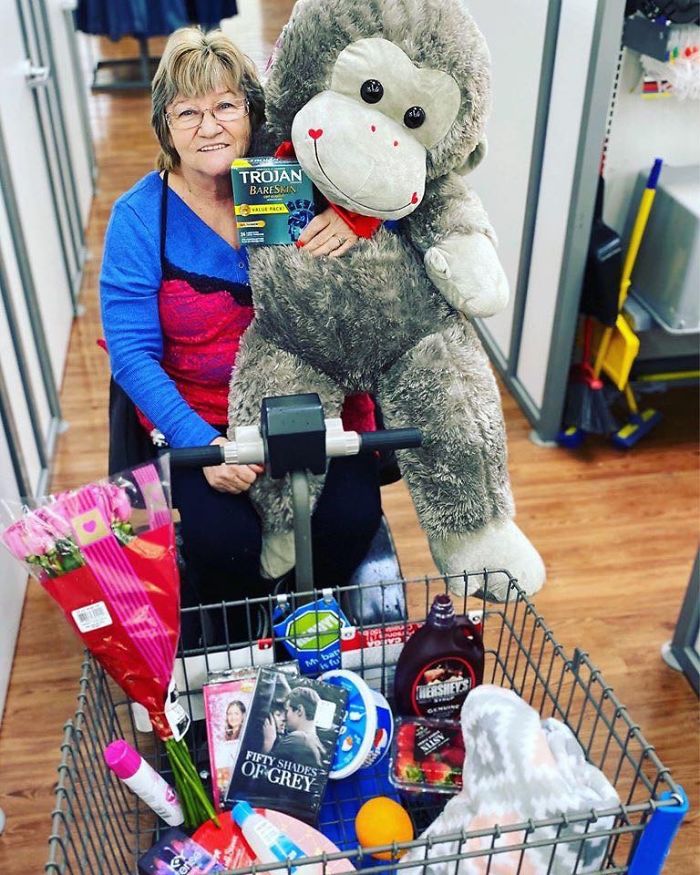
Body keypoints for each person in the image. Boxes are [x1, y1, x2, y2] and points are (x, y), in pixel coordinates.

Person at [100, 27, 382, 610]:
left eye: (226, 106)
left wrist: (356, 220)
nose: (209, 126)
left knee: (352, 518)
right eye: (188, 112)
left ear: (251, 114)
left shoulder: (292, 181)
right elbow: (130, 355)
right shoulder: (139, 217)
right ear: (166, 128)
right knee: (224, 546)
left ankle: (308, 619)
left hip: (317, 406)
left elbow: (401, 205)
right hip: (207, 421)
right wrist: (202, 445)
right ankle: (245, 632)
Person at [267, 687, 325, 769]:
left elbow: (265, 769)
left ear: (299, 710)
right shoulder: (316, 742)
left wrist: (267, 743)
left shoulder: (297, 738)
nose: (285, 717)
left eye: (287, 710)